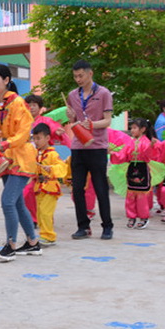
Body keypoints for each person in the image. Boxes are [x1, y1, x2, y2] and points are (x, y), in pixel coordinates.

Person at [0, 64, 39, 261]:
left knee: (7, 202)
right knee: (18, 203)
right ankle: (33, 243)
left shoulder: (19, 103)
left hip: (21, 159)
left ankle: (11, 245)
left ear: (6, 80)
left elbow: (23, 134)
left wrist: (3, 144)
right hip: (5, 159)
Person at [65, 60, 114, 240]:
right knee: (77, 188)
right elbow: (74, 120)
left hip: (97, 146)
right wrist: (71, 118)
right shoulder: (72, 95)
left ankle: (107, 226)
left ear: (90, 74)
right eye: (75, 76)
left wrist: (92, 124)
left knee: (101, 188)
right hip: (78, 146)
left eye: (81, 75)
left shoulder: (104, 93)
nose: (78, 79)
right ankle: (83, 226)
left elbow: (107, 120)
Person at [108, 118, 162, 230]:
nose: (132, 130)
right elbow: (123, 155)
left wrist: (151, 147)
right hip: (132, 169)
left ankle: (143, 217)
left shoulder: (147, 142)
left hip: (143, 169)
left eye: (134, 128)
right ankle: (131, 216)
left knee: (142, 195)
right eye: (131, 128)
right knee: (131, 194)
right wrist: (113, 153)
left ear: (143, 129)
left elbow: (150, 157)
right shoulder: (130, 142)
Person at [30, 123, 68, 247]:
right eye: (34, 138)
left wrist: (50, 168)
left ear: (47, 138)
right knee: (40, 213)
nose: (36, 141)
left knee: (46, 212)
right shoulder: (35, 154)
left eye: (38, 138)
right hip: (39, 187)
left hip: (50, 187)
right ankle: (44, 234)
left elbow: (62, 167)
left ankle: (49, 236)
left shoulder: (52, 154)